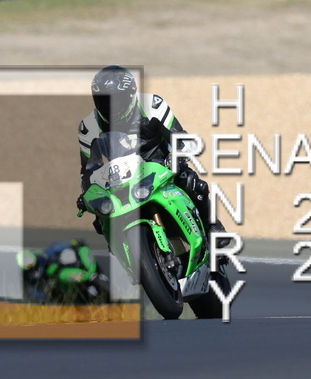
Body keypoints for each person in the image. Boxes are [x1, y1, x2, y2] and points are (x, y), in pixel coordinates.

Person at [75, 65, 230, 248]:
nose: (111, 107)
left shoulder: (151, 105)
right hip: (121, 178)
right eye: (104, 100)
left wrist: (178, 155)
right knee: (100, 214)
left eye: (117, 100)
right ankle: (121, 248)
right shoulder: (88, 127)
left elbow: (180, 137)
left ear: (131, 95)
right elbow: (88, 170)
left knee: (190, 181)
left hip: (161, 165)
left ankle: (212, 226)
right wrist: (87, 193)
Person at [16, 240, 109, 304]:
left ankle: (95, 273)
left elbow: (55, 247)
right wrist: (44, 298)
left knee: (79, 252)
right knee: (65, 297)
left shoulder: (43, 255)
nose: (31, 265)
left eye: (31, 263)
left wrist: (73, 244)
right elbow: (33, 292)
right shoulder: (27, 276)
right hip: (58, 284)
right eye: (28, 266)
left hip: (65, 266)